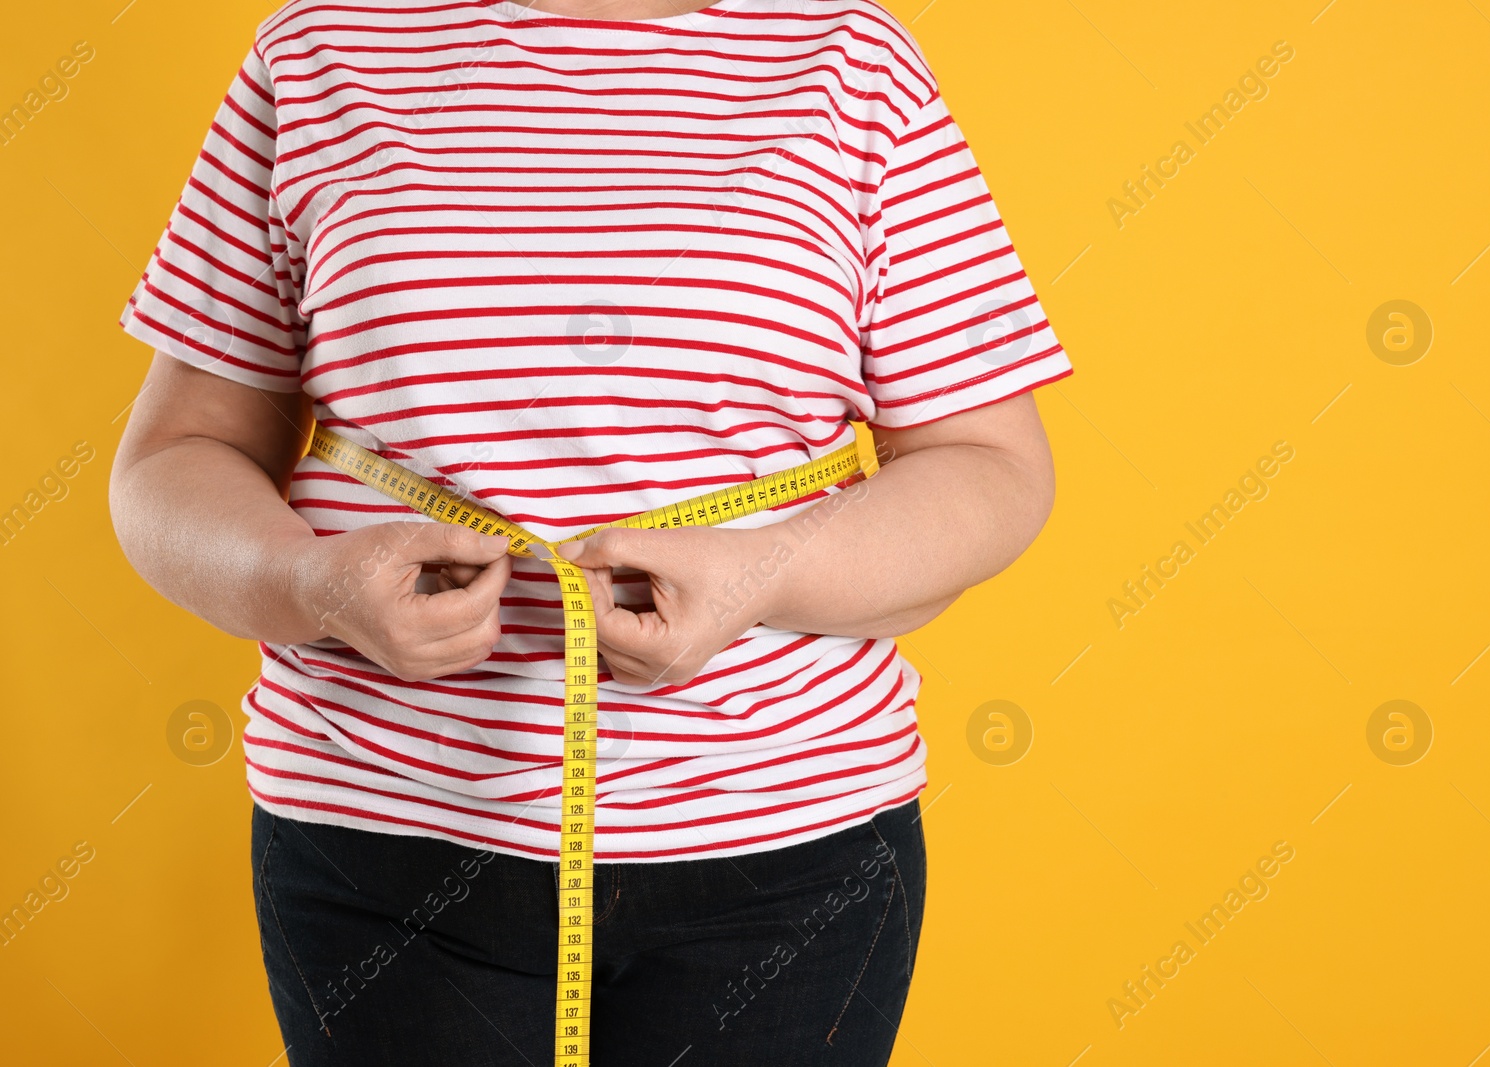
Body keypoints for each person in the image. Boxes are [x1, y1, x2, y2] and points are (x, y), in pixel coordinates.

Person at [109, 1, 1070, 1063]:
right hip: (379, 832)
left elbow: (991, 465)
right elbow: (172, 461)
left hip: (787, 847)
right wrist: (310, 582)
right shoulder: (322, 48)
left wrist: (761, 571)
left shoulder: (849, 59)